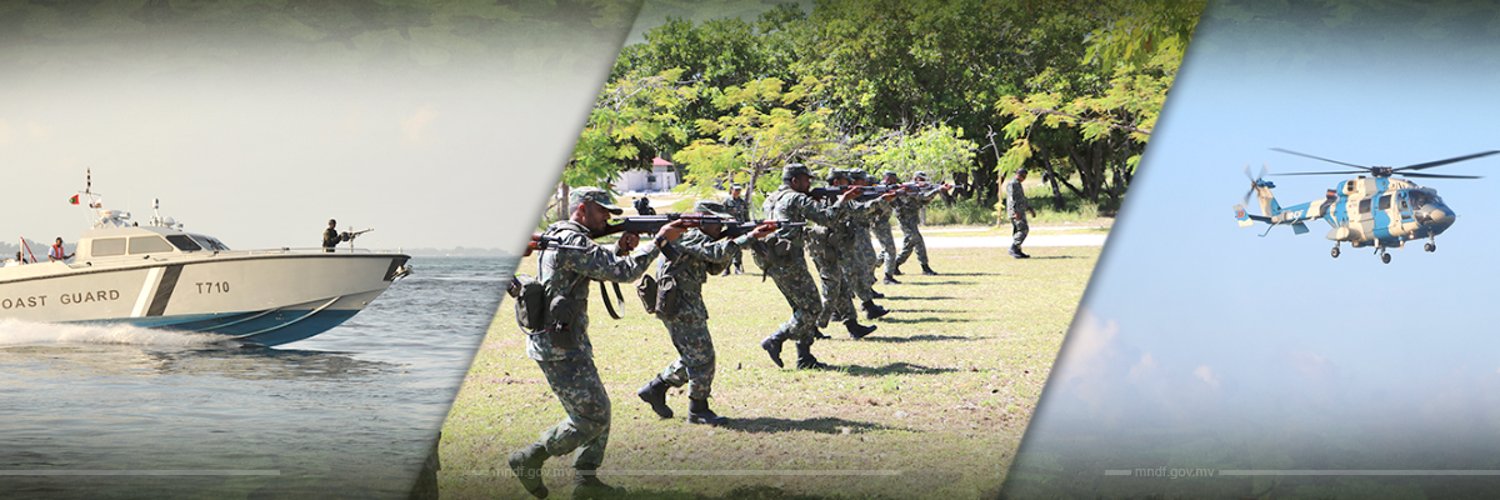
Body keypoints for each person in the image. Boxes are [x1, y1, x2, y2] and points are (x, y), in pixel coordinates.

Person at [508, 187, 689, 499]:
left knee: (597, 410)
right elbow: (624, 272)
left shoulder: (564, 235)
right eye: (602, 211)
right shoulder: (571, 239)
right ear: (583, 208)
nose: (607, 217)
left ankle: (586, 479)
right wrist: (659, 241)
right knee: (593, 417)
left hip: (565, 339)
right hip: (558, 345)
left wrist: (619, 248)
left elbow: (590, 266)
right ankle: (530, 457)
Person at [637, 201, 777, 425]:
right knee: (703, 358)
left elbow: (714, 265)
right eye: (717, 222)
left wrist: (731, 239)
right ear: (702, 219)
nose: (720, 227)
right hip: (679, 304)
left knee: (695, 356)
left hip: (686, 303)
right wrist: (749, 237)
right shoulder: (690, 235)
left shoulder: (698, 237)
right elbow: (716, 252)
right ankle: (698, 410)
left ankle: (655, 388)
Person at [752, 164, 865, 369]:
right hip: (788, 260)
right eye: (806, 179)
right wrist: (843, 200)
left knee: (800, 307)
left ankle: (804, 358)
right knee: (813, 308)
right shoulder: (796, 198)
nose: (809, 183)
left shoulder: (771, 198)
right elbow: (828, 218)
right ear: (795, 181)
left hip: (771, 258)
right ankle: (775, 339)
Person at [844, 169, 892, 317]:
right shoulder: (848, 196)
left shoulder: (861, 193)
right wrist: (880, 200)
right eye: (862, 180)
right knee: (853, 270)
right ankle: (847, 305)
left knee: (867, 263)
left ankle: (866, 299)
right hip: (852, 234)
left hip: (861, 231)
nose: (865, 182)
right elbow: (860, 210)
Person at [889, 171, 952, 279]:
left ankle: (898, 265)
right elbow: (921, 197)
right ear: (916, 179)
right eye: (921, 180)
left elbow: (924, 201)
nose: (923, 182)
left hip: (912, 219)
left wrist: (935, 190)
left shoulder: (917, 188)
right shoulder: (908, 188)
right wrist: (937, 190)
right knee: (915, 240)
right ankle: (896, 264)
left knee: (914, 243)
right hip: (905, 220)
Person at [874, 171, 902, 283]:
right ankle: (888, 277)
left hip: (883, 221)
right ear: (888, 178)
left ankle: (869, 267)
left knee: (885, 250)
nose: (895, 181)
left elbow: (896, 204)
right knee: (890, 250)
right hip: (878, 221)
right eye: (893, 179)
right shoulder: (878, 189)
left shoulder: (888, 188)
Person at [1005, 168, 1037, 258]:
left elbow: (1021, 199)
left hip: (1020, 211)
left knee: (1018, 231)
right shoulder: (1013, 184)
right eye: (1023, 176)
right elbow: (1013, 199)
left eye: (1025, 176)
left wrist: (1030, 209)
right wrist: (1016, 212)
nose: (1024, 178)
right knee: (1023, 230)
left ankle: (1018, 250)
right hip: (1016, 212)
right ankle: (1013, 248)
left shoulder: (1018, 184)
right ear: (1018, 175)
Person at [720, 184, 751, 275]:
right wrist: (726, 220)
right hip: (730, 227)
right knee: (728, 247)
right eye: (736, 190)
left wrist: (748, 226)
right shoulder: (726, 201)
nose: (737, 192)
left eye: (739, 190)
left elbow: (746, 215)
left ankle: (737, 267)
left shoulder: (742, 202)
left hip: (740, 227)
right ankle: (726, 268)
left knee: (737, 247)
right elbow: (721, 213)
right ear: (731, 190)